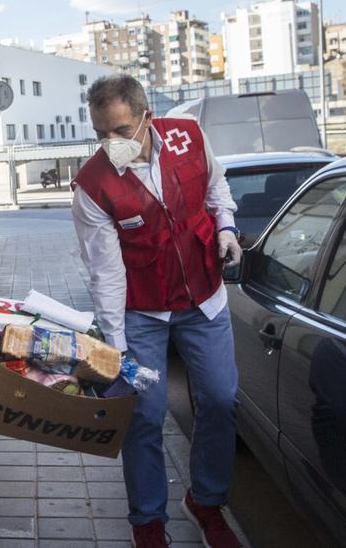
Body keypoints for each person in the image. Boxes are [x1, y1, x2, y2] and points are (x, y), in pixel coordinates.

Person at [70, 75, 242, 548]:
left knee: (221, 400)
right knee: (145, 413)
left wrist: (226, 228)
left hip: (205, 303)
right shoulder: (92, 185)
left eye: (121, 131)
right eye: (101, 133)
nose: (110, 144)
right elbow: (104, 273)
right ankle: (147, 521)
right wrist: (118, 351)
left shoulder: (189, 136)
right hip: (142, 314)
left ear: (146, 118)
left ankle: (206, 502)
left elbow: (216, 188)